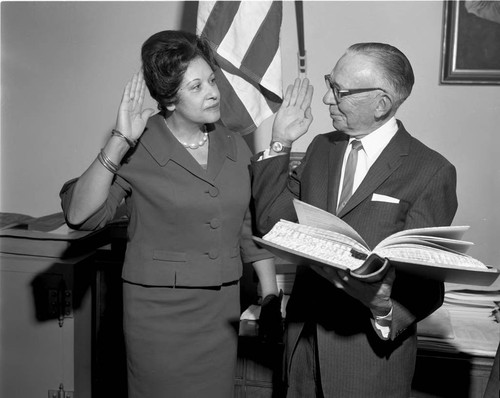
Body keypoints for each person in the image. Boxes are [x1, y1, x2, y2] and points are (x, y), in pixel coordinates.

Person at [59, 30, 279, 398]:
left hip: (220, 309)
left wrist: (270, 294)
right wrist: (119, 139)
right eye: (196, 87)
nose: (212, 91)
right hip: (159, 314)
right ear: (169, 99)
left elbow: (246, 223)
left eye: (211, 80)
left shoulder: (232, 142)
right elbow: (81, 215)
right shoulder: (140, 145)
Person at [251, 42, 458, 397]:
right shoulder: (321, 148)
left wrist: (383, 307)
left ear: (382, 104)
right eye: (330, 83)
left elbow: (425, 283)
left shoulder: (430, 171)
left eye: (340, 91)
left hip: (366, 363)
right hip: (303, 349)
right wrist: (280, 142)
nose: (327, 100)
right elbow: (272, 223)